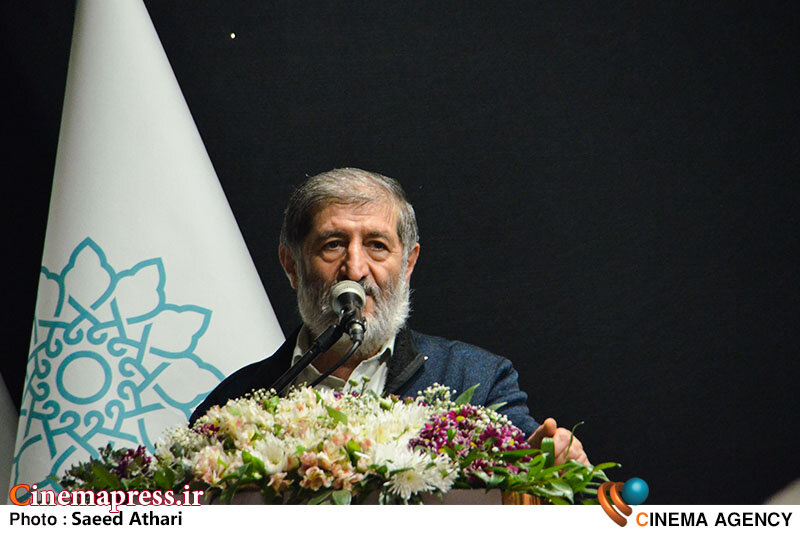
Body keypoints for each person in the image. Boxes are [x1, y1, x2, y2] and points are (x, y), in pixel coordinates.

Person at [190, 168, 588, 465]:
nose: (355, 269)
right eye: (333, 244)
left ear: (408, 264)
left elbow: (528, 460)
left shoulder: (477, 380)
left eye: (377, 246)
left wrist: (543, 463)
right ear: (291, 265)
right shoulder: (232, 404)